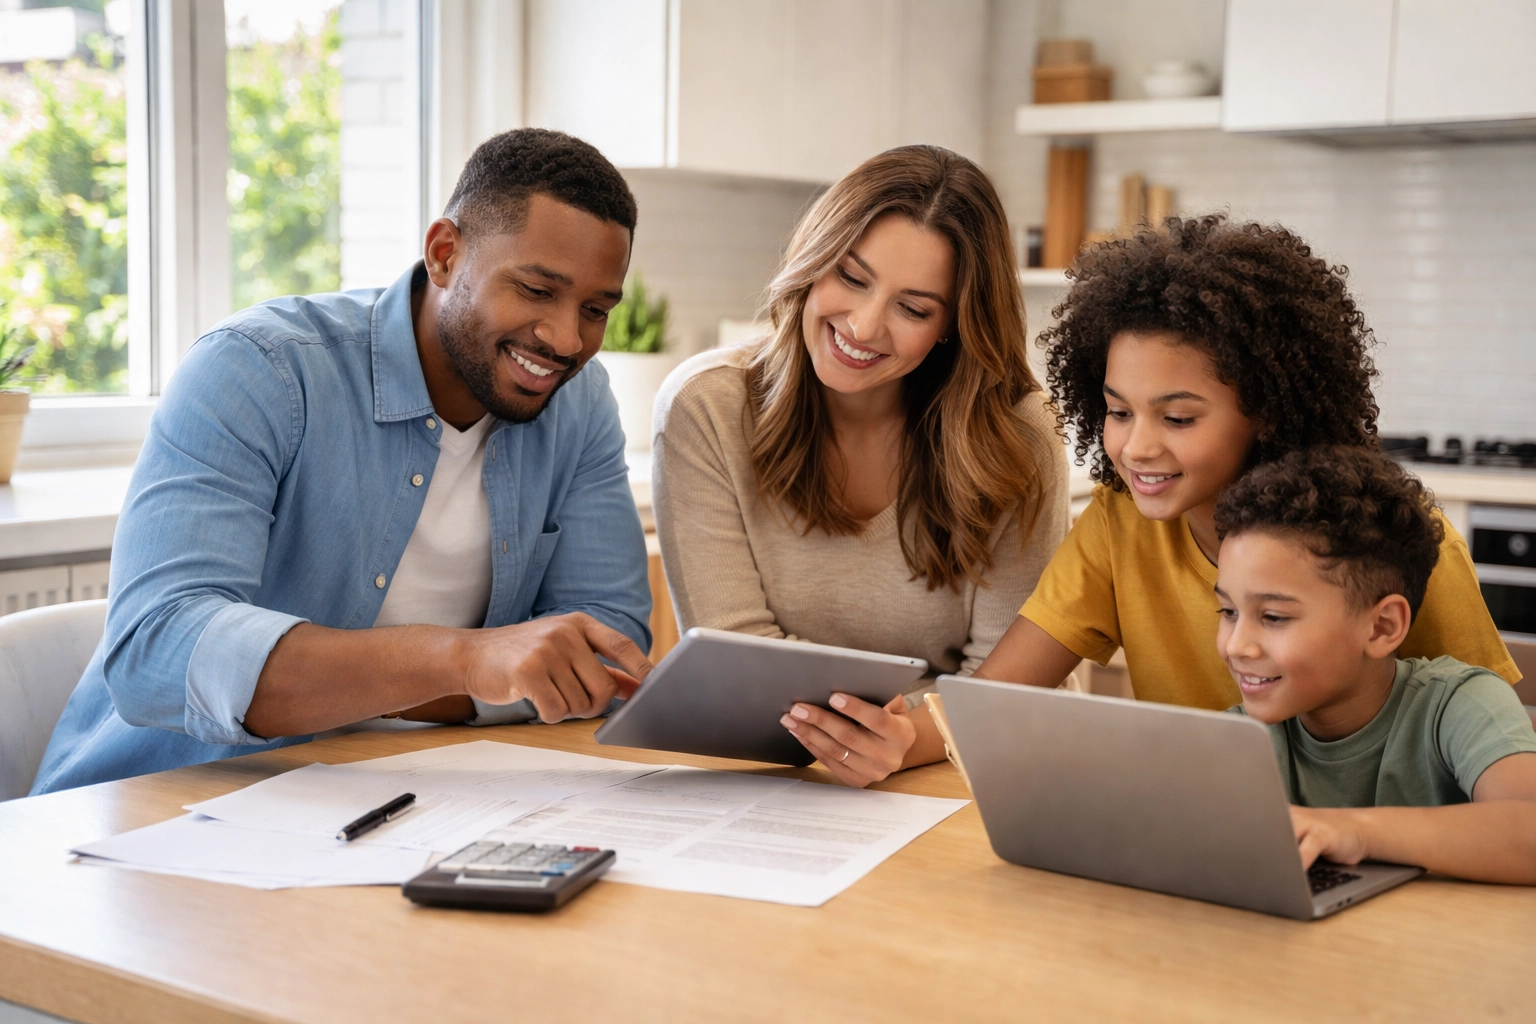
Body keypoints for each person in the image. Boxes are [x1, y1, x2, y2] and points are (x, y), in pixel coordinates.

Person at [33, 128, 656, 794]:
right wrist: (462, 663)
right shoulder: (260, 369)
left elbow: (606, 652)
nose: (566, 339)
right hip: (170, 803)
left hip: (419, 797)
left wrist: (385, 683)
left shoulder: (580, 402)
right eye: (536, 290)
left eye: (595, 310)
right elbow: (157, 649)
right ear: (445, 254)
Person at [652, 145, 1069, 788]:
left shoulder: (1016, 434)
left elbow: (1002, 680)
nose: (864, 325)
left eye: (914, 308)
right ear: (812, 260)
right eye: (850, 276)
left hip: (971, 762)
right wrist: (878, 732)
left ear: (954, 325)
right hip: (788, 771)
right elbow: (739, 660)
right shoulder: (705, 407)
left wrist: (910, 739)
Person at [976, 214, 1518, 704]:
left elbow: (1505, 764)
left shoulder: (1392, 542)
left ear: (1267, 411)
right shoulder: (1120, 523)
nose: (1136, 448)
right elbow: (992, 697)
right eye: (1119, 412)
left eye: (1178, 419)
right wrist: (901, 732)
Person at [1214, 446, 1536, 884]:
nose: (1237, 646)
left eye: (1273, 617)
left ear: (1383, 627)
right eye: (1228, 612)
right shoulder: (1240, 739)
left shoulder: (1458, 704)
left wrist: (1355, 831)